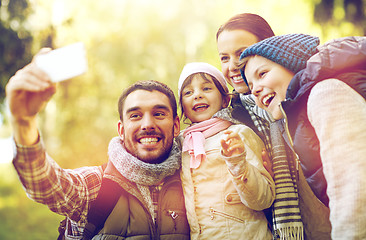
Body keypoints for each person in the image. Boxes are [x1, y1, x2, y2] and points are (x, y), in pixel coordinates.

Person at [6, 50, 190, 239]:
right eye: (135, 115)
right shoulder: (97, 185)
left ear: (176, 126)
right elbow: (44, 184)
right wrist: (24, 122)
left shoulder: (193, 181)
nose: (148, 124)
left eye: (159, 113)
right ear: (121, 129)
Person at [240, 33, 366, 239]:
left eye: (262, 74)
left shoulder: (326, 94)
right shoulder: (298, 116)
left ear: (292, 63)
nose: (254, 91)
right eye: (251, 86)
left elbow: (353, 189)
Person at [216, 13, 307, 240]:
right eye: (224, 58)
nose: (233, 65)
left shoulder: (299, 98)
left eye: (241, 53)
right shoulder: (228, 117)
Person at [177, 62, 275, 239]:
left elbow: (264, 199)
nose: (197, 95)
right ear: (182, 106)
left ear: (225, 99)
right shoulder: (181, 145)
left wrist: (238, 163)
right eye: (188, 92)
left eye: (206, 88)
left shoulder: (238, 134)